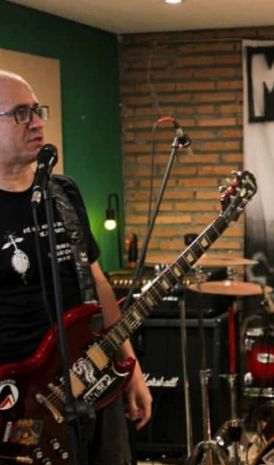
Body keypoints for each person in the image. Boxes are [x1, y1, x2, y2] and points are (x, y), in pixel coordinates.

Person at [0, 70, 152, 464]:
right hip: (22, 399)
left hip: (94, 376)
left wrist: (130, 366)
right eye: (20, 113)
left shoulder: (63, 192)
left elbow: (98, 284)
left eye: (37, 111)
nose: (37, 123)